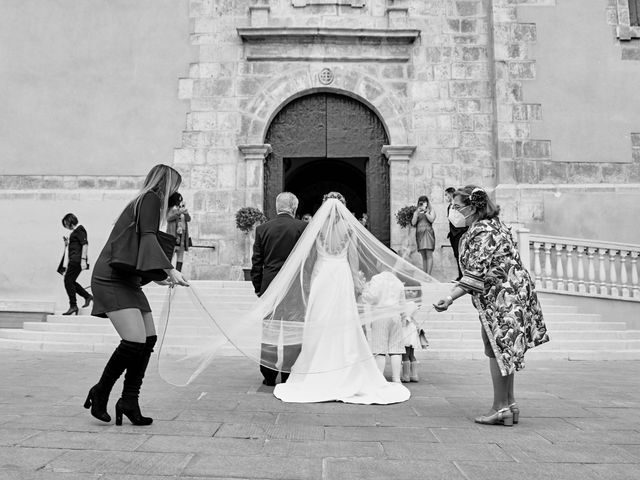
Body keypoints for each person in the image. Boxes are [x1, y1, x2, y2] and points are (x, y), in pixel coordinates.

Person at [272, 192, 412, 404]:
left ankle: (317, 368)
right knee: (345, 322)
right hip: (341, 274)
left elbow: (308, 259)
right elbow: (353, 259)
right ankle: (346, 368)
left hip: (322, 276)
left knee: (320, 321)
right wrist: (357, 283)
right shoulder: (349, 228)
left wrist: (308, 283)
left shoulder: (316, 228)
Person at [434, 186, 549, 426]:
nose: (452, 212)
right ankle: (510, 403)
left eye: (456, 207)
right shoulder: (496, 224)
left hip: (502, 298)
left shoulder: (481, 231)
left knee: (497, 351)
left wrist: (450, 297)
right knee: (503, 350)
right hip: (512, 293)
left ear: (472, 207)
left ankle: (500, 408)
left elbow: (476, 272)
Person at [85, 164, 189, 426]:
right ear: (167, 183)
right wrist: (169, 269)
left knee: (148, 338)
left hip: (126, 279)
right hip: (110, 278)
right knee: (133, 341)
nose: (176, 192)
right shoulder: (152, 197)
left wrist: (160, 275)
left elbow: (142, 242)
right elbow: (148, 237)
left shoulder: (146, 201)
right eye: (175, 186)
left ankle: (129, 400)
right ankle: (101, 391)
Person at [251, 192, 307, 386]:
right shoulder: (303, 227)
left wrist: (258, 287)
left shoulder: (262, 229)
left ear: (277, 207)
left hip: (270, 285)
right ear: (294, 208)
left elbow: (257, 261)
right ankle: (288, 373)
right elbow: (308, 262)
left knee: (270, 330)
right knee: (293, 329)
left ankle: (268, 373)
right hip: (294, 287)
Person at [361, 265, 406, 383]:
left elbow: (372, 297)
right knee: (396, 349)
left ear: (381, 264)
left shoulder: (377, 279)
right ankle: (396, 378)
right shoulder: (398, 281)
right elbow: (402, 302)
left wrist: (364, 289)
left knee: (379, 349)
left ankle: (379, 379)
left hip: (381, 315)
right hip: (395, 316)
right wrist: (403, 317)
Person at [59, 213, 92, 315]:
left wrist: (83, 260)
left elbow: (85, 244)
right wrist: (67, 244)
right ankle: (87, 296)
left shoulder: (80, 229)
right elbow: (76, 246)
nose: (66, 226)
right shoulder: (75, 232)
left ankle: (73, 306)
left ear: (70, 221)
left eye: (66, 223)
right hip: (74, 260)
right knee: (70, 281)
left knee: (68, 281)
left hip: (77, 260)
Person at [445, 186, 468, 281]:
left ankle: (464, 276)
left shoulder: (457, 205)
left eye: (446, 195)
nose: (446, 197)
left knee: (460, 254)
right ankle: (460, 276)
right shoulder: (450, 206)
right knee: (456, 254)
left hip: (460, 232)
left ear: (451, 194)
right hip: (453, 234)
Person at [166, 192, 191, 272]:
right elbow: (168, 218)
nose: (180, 202)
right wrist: (178, 212)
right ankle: (168, 274)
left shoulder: (181, 209)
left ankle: (178, 274)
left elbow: (188, 219)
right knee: (170, 255)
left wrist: (186, 213)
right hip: (173, 235)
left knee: (180, 256)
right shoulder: (171, 209)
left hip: (183, 236)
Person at [411, 195, 436, 275]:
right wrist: (416, 214)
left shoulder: (431, 210)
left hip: (428, 233)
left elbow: (431, 219)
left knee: (429, 254)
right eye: (420, 203)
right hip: (419, 234)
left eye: (424, 202)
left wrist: (425, 212)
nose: (422, 204)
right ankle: (425, 275)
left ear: (427, 203)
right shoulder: (416, 211)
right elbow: (413, 223)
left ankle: (429, 275)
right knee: (423, 256)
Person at [400, 301, 420, 383]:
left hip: (407, 333)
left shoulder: (408, 313)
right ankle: (414, 375)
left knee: (405, 354)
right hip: (412, 332)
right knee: (411, 354)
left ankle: (406, 376)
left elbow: (405, 323)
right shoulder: (413, 318)